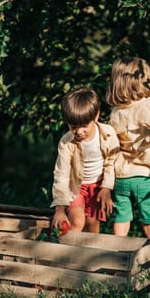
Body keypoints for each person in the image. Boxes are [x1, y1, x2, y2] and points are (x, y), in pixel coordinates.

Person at [106, 56, 150, 239]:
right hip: (146, 176)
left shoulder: (116, 112)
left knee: (121, 217)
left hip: (121, 176)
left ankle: (117, 254)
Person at [50, 87, 120, 233]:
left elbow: (110, 162)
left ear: (96, 116)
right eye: (73, 127)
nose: (79, 132)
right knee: (77, 221)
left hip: (97, 187)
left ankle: (88, 254)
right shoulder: (66, 143)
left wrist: (106, 188)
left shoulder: (108, 134)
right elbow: (61, 175)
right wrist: (60, 209)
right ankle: (67, 253)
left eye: (84, 126)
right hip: (76, 187)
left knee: (92, 225)